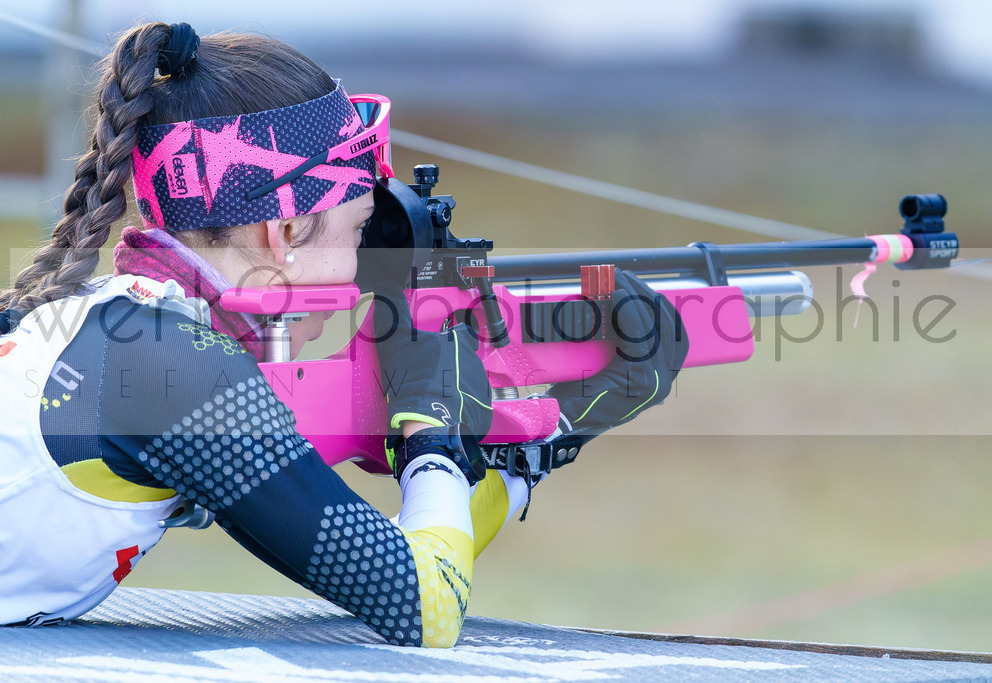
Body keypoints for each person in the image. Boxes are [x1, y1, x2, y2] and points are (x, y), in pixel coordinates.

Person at [0, 22, 685, 646]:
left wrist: (538, 440)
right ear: (286, 230)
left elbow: (415, 567)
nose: (366, 260)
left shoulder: (109, 325)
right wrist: (436, 438)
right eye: (360, 228)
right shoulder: (179, 371)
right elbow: (425, 603)